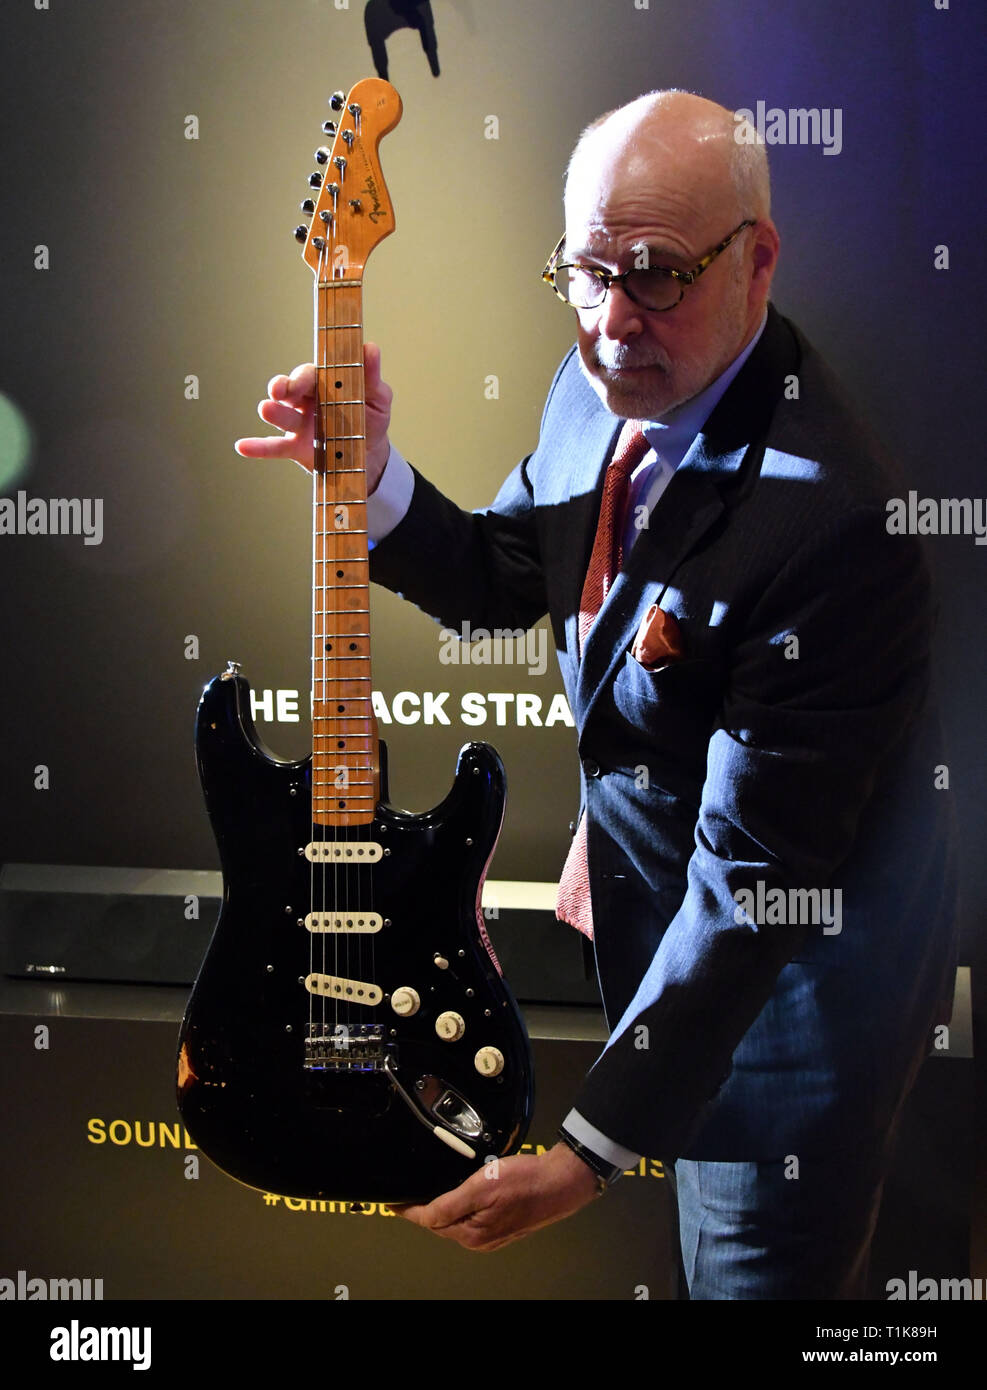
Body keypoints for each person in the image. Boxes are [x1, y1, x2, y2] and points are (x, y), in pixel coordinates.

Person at [235, 90, 959, 1298]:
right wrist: (374, 479)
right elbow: (508, 576)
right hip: (660, 942)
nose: (613, 319)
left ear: (757, 259)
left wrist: (583, 1155)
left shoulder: (836, 527)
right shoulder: (598, 393)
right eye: (584, 271)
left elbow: (757, 890)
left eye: (658, 272)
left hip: (783, 1022)